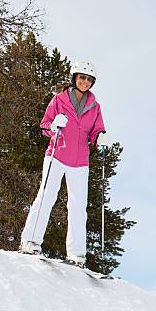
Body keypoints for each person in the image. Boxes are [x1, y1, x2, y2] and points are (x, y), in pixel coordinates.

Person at [19, 61, 108, 267]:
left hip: (80, 161)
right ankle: (30, 241)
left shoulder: (95, 106)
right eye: (81, 77)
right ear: (74, 78)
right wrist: (53, 125)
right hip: (56, 154)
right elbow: (44, 126)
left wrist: (100, 137)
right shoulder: (58, 100)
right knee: (46, 196)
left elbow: (96, 130)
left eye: (89, 79)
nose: (85, 82)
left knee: (78, 206)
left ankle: (76, 254)